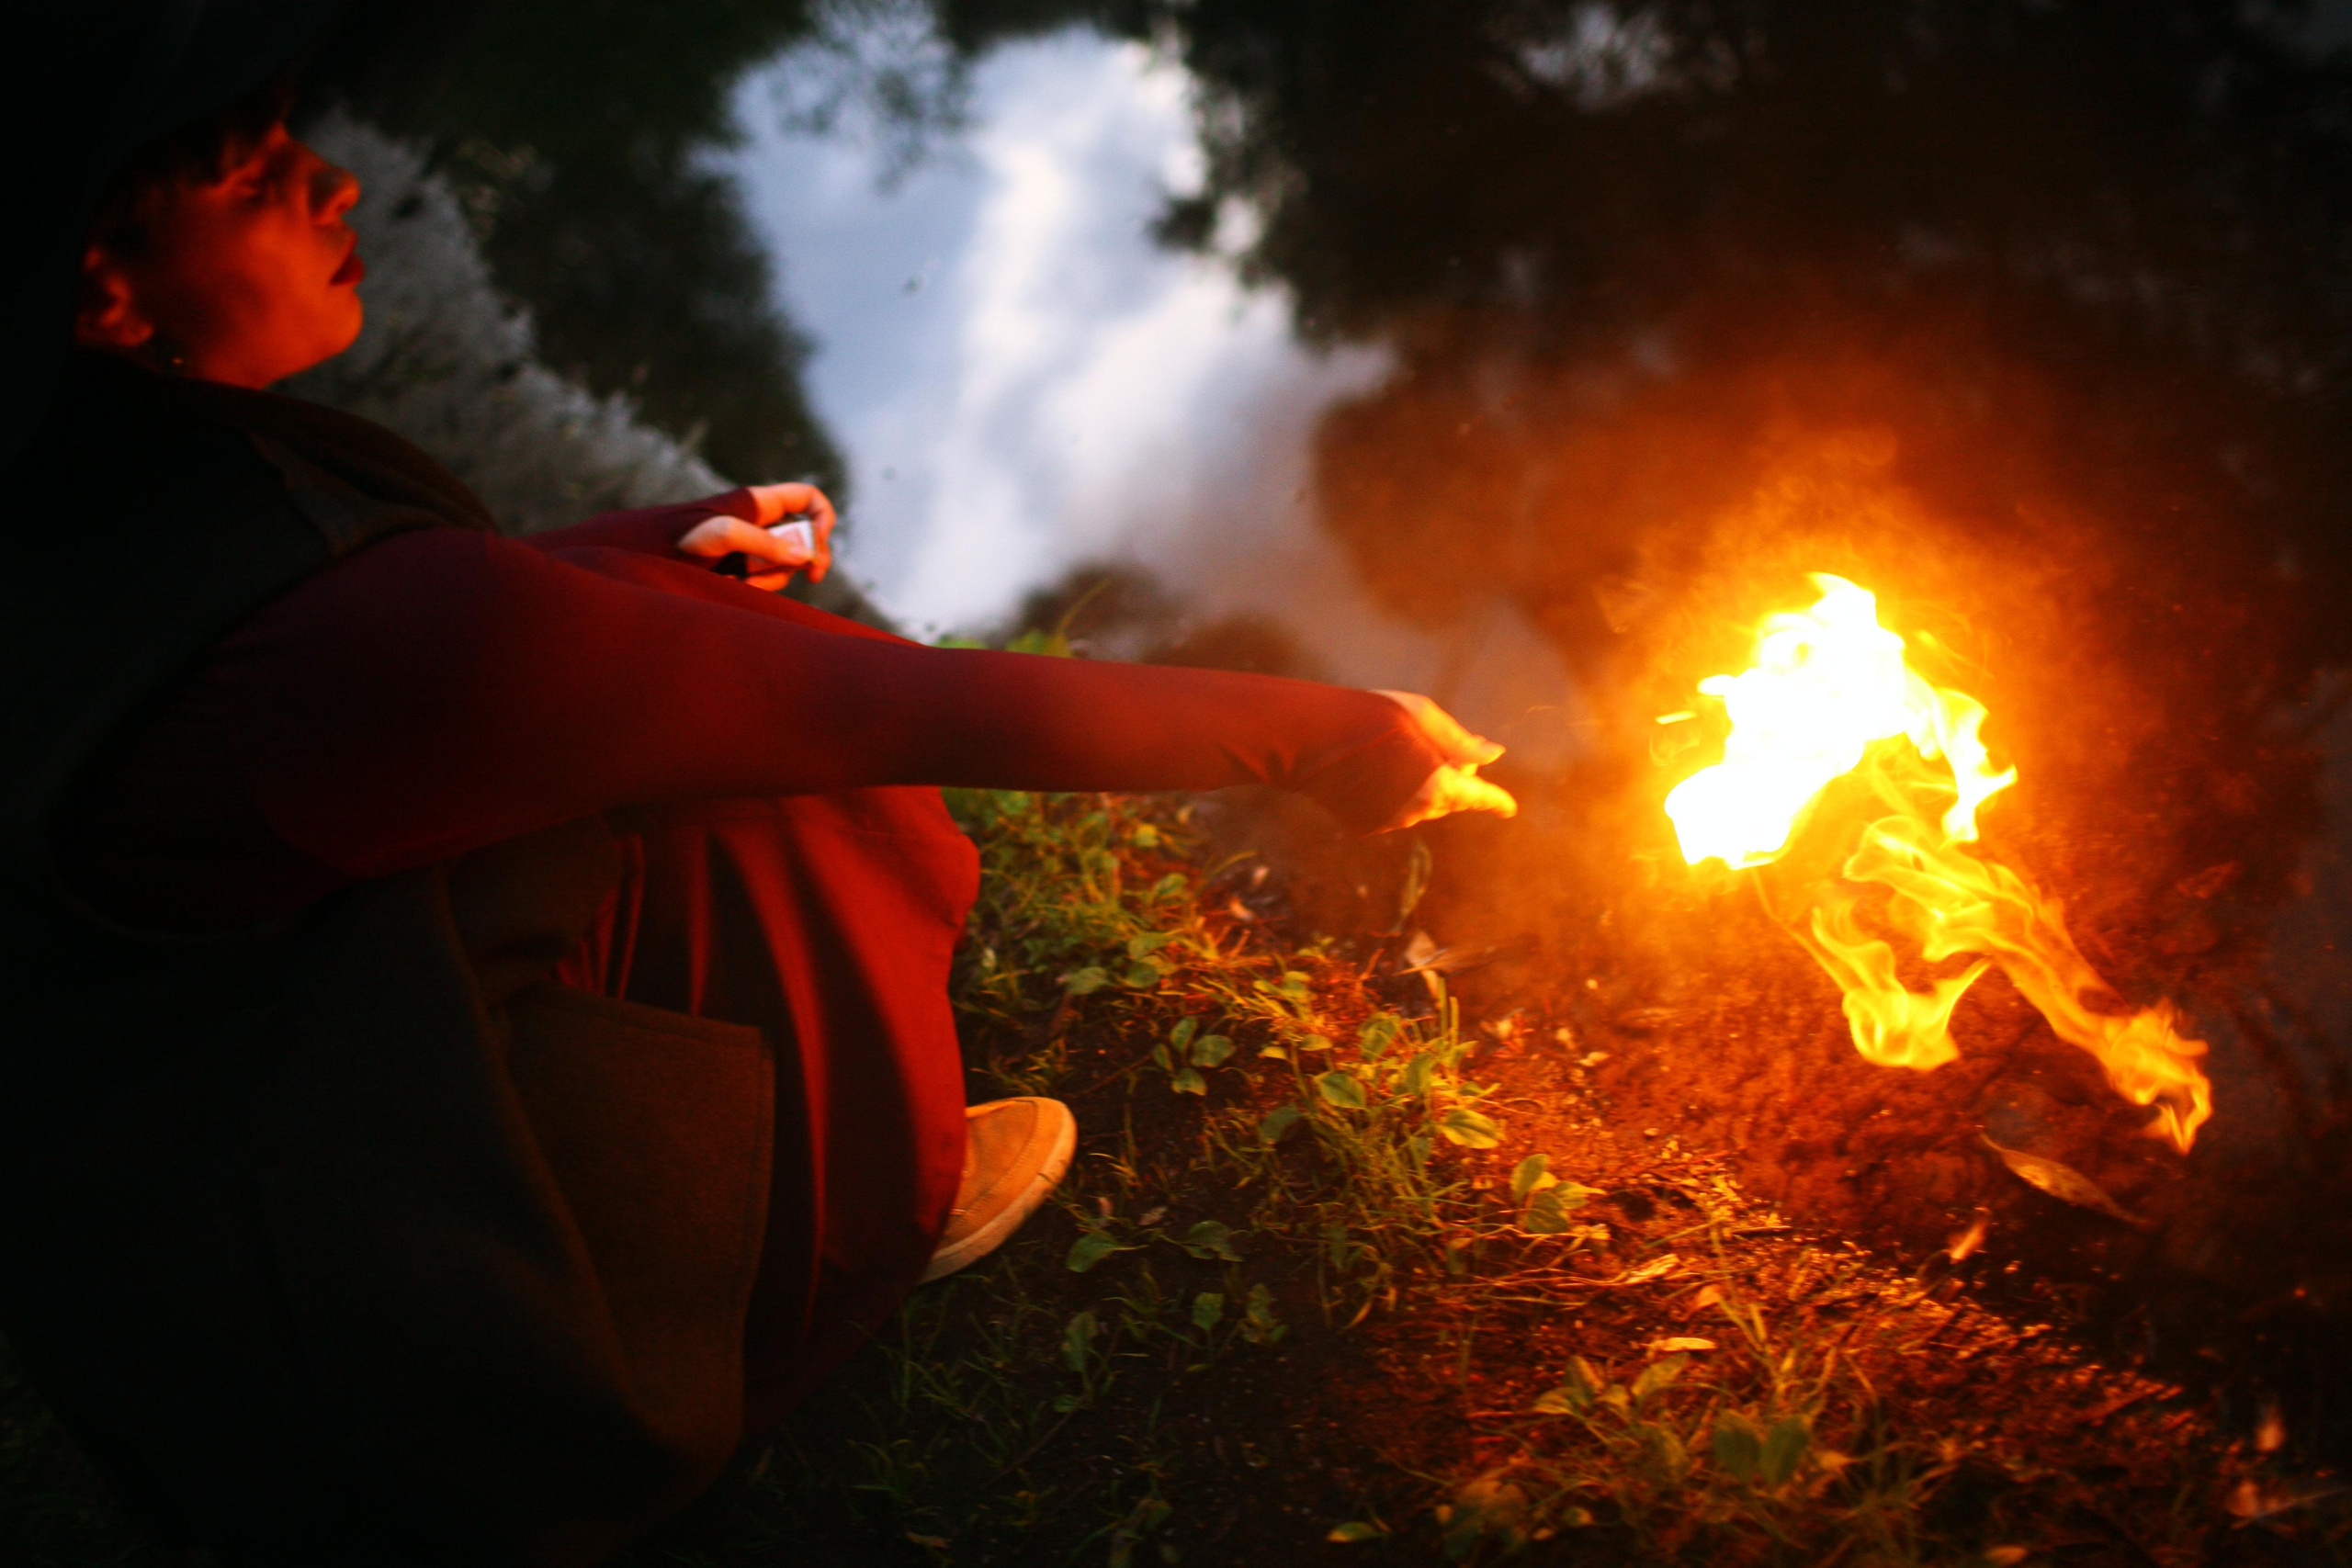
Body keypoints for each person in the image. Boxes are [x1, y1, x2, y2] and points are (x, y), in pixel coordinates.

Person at [0, 7, 1516, 1565]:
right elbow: (910, 707)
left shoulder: (69, 474)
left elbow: (369, 665)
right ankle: (829, 1227)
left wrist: (618, 563)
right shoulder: (337, 636)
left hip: (183, 1193)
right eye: (255, 183)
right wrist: (1330, 736)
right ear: (104, 289)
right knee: (805, 793)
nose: (335, 186)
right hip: (360, 1353)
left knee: (694, 652)